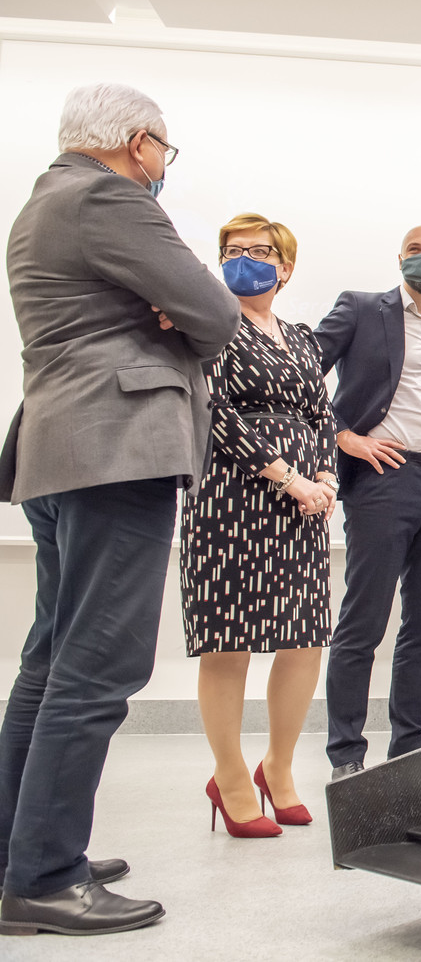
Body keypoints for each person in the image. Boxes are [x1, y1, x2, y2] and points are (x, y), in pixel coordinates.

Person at [0, 84, 239, 935]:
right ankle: (44, 877)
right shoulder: (109, 198)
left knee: (51, 660)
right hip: (117, 446)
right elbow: (218, 314)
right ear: (140, 143)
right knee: (99, 665)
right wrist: (177, 315)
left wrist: (171, 312)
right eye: (164, 149)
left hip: (59, 448)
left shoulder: (44, 202)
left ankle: (21, 850)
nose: (163, 164)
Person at [180, 214, 337, 839]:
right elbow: (214, 411)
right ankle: (230, 777)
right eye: (233, 250)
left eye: (261, 251)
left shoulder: (301, 338)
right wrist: (290, 478)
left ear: (285, 267)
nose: (245, 259)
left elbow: (322, 414)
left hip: (304, 507)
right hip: (230, 496)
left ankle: (278, 766)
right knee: (229, 640)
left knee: (304, 637)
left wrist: (325, 478)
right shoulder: (210, 324)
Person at [314, 226, 421, 778]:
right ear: (399, 258)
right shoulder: (362, 310)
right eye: (415, 250)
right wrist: (345, 438)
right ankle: (347, 755)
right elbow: (301, 374)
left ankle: (409, 747)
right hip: (383, 480)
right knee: (363, 623)